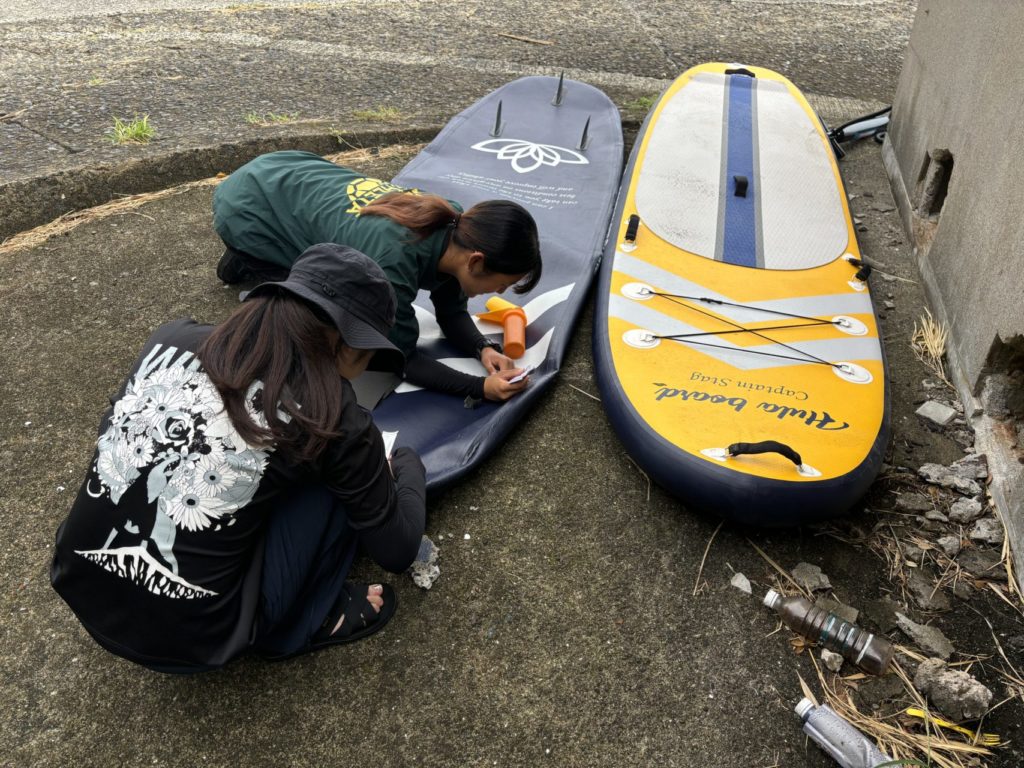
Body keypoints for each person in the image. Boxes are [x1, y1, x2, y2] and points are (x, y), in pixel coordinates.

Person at [50, 244, 426, 673]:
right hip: (201, 638)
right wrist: (405, 464)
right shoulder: (331, 412)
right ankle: (298, 624)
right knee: (336, 477)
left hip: (80, 583)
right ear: (346, 341)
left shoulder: (171, 337)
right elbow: (397, 549)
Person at [212, 150, 543, 402]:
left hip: (288, 175)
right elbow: (396, 358)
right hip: (248, 203)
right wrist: (478, 387)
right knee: (314, 303)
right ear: (476, 262)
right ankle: (247, 254)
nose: (496, 291)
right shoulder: (389, 265)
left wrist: (483, 348)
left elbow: (451, 310)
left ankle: (250, 254)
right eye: (501, 284)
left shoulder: (457, 227)